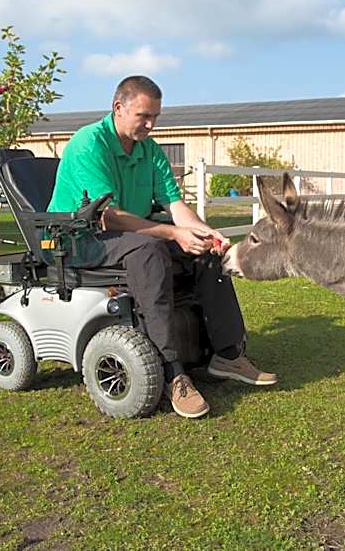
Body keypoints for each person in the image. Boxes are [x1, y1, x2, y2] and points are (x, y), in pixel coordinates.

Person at [48, 75, 277, 418]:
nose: (151, 124)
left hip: (129, 234)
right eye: (143, 116)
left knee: (205, 251)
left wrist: (206, 233)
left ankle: (228, 355)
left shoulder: (149, 150)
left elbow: (174, 205)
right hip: (78, 239)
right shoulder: (88, 145)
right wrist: (172, 234)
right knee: (149, 251)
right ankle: (173, 373)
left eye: (155, 116)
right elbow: (110, 217)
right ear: (118, 107)